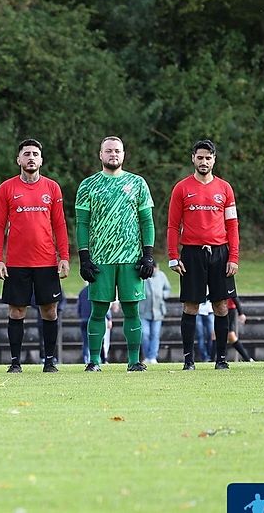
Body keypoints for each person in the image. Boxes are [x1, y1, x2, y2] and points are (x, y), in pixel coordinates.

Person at [75, 136, 155, 372]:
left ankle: (134, 361)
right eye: (108, 151)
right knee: (98, 310)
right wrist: (84, 257)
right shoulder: (88, 185)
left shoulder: (137, 183)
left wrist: (148, 254)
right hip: (100, 259)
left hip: (131, 258)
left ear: (124, 154)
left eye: (117, 151)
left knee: (132, 309)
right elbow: (82, 223)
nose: (113, 154)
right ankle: (94, 361)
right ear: (100, 155)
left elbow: (147, 221)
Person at [0, 138, 70, 373]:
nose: (31, 158)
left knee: (50, 310)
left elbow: (60, 224)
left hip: (46, 261)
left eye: (35, 154)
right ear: (19, 159)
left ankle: (49, 361)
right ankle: (15, 362)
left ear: (41, 160)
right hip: (16, 262)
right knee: (16, 311)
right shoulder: (7, 188)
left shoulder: (52, 188)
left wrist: (63, 256)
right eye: (27, 154)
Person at [167, 139, 240, 370]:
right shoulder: (181, 188)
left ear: (214, 160)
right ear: (193, 159)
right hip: (191, 253)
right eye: (200, 157)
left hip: (220, 253)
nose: (204, 162)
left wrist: (234, 257)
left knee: (221, 306)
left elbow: (232, 225)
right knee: (191, 306)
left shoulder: (225, 188)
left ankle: (221, 360)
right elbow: (172, 225)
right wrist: (172, 255)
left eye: (208, 158)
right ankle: (189, 360)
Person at [138, 265, 171, 364]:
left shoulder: (161, 275)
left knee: (155, 334)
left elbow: (167, 289)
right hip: (144, 312)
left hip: (158, 312)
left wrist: (163, 295)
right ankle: (147, 356)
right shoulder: (143, 275)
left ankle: (152, 356)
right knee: (145, 334)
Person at [78, 284, 111, 364]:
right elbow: (103, 305)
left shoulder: (82, 292)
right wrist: (109, 318)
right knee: (99, 340)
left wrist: (81, 316)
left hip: (84, 319)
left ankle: (87, 360)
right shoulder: (98, 288)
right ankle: (101, 359)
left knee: (86, 342)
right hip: (95, 319)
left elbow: (79, 307)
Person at [227, 295, 253, 361]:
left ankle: (247, 359)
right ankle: (214, 359)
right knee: (216, 334)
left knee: (230, 335)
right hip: (219, 307)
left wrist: (240, 313)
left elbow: (233, 294)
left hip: (228, 309)